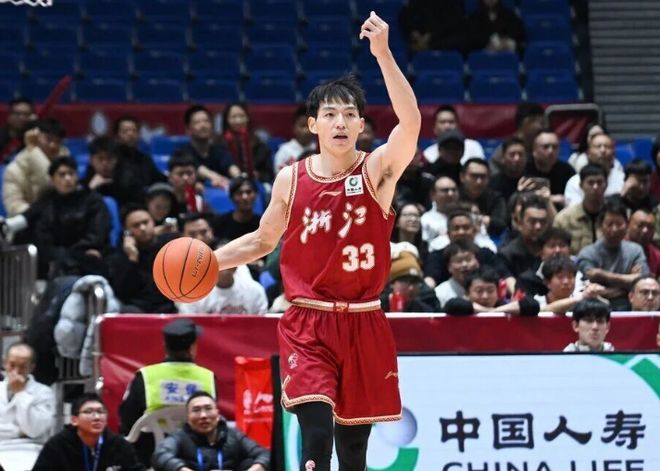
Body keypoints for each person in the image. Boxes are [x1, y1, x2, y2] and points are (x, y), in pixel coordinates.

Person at [212, 12, 421, 471]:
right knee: (317, 438)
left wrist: (383, 54)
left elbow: (410, 124)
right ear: (313, 125)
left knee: (354, 452)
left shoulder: (377, 171)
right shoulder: (291, 178)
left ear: (361, 125)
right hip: (308, 321)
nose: (340, 122)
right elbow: (262, 239)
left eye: (349, 115)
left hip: (364, 320)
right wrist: (210, 262)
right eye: (330, 114)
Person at [120, 318, 218, 466]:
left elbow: (127, 419)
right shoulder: (208, 378)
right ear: (192, 348)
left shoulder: (145, 377)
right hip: (195, 458)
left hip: (150, 457)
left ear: (165, 346)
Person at [30, 157, 111, 278]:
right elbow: (43, 240)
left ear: (77, 176)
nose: (67, 178)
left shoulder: (93, 200)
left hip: (88, 253)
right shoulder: (46, 205)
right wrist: (61, 254)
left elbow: (97, 234)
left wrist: (75, 252)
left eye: (71, 173)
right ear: (52, 179)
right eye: (62, 175)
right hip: (59, 259)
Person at [152, 391, 269, 471]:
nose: (203, 415)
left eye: (208, 409)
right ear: (188, 418)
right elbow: (160, 455)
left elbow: (265, 454)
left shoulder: (233, 434)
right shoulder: (179, 437)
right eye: (196, 410)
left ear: (217, 414)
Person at [32, 393, 144, 471]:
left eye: (101, 412)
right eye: (89, 412)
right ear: (74, 420)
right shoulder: (58, 445)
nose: (96, 417)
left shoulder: (119, 444)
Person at [577, 199, 650, 310]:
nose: (614, 229)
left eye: (619, 224)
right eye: (609, 224)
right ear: (600, 225)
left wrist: (602, 275)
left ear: (627, 225)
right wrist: (628, 285)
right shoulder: (587, 253)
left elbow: (643, 281)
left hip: (631, 309)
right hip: (596, 310)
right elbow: (588, 291)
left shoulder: (636, 250)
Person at [107, 205, 177, 313]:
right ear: (127, 231)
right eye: (136, 225)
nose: (143, 228)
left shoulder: (170, 244)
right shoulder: (122, 254)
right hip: (140, 308)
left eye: (146, 222)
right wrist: (132, 258)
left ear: (153, 223)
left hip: (172, 303)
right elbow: (122, 293)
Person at [0, 343, 55, 471]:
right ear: (4, 364)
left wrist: (20, 393)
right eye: (12, 365)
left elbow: (33, 430)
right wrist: (18, 432)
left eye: (22, 366)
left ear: (31, 368)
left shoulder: (44, 393)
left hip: (30, 448)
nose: (16, 371)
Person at [2, 119, 69, 217]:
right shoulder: (14, 170)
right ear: (35, 140)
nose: (53, 145)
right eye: (48, 139)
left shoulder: (66, 162)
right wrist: (44, 217)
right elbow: (14, 206)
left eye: (58, 141)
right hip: (28, 223)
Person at [178, 242, 268, 315]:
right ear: (210, 263)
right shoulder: (194, 294)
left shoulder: (255, 291)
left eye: (229, 260)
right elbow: (188, 324)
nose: (225, 264)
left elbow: (260, 326)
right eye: (221, 260)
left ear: (237, 265)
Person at [553, 163, 608, 255]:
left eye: (599, 182)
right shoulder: (564, 218)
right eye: (590, 183)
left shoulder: (614, 216)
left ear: (606, 185)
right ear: (581, 186)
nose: (595, 187)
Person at [178, 104, 237, 188]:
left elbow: (230, 166)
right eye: (197, 122)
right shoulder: (182, 153)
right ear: (188, 129)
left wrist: (239, 177)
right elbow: (197, 168)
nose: (203, 126)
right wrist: (215, 178)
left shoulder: (220, 150)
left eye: (206, 121)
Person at [218, 102, 274, 185]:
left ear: (248, 118)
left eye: (241, 116)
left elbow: (269, 174)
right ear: (226, 120)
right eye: (233, 117)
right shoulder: (219, 144)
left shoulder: (259, 145)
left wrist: (258, 175)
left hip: (255, 184)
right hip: (227, 185)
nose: (238, 121)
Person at [564, 133, 623, 207]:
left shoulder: (623, 179)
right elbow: (575, 211)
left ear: (614, 153)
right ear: (588, 153)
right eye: (598, 146)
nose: (603, 150)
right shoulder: (575, 182)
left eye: (607, 146)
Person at [533, 255, 604, 315]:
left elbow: (605, 306)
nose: (566, 282)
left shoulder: (582, 299)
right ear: (547, 282)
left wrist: (595, 294)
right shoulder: (536, 301)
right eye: (560, 277)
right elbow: (544, 310)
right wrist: (581, 297)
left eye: (570, 277)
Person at [499, 194, 549, 276]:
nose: (538, 226)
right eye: (532, 221)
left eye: (542, 222)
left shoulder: (555, 250)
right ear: (519, 223)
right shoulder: (507, 255)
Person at [523, 129, 575, 208]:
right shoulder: (523, 168)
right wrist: (552, 198)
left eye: (555, 147)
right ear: (534, 151)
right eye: (545, 147)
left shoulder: (567, 170)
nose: (551, 151)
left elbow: (574, 198)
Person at [489, 103, 544, 175]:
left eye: (542, 123)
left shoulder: (542, 148)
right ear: (524, 123)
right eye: (534, 121)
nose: (540, 127)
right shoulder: (504, 151)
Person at [380, 246, 440, 312]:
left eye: (415, 282)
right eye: (405, 281)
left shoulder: (424, 310)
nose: (411, 288)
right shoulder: (377, 306)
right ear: (392, 283)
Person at [458, 157, 508, 236]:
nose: (479, 181)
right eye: (474, 176)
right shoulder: (453, 196)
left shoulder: (495, 198)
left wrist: (478, 219)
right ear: (462, 177)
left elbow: (501, 224)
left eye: (483, 177)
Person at [211, 175, 261, 241]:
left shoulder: (262, 224)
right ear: (231, 198)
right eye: (239, 193)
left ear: (256, 195)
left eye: (249, 192)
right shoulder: (219, 224)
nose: (245, 197)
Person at [434, 240, 480, 307]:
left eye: (468, 259)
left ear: (478, 262)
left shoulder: (488, 290)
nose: (464, 265)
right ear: (449, 267)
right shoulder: (440, 294)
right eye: (458, 261)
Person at [274, 105, 318, 171]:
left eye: (308, 126)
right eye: (302, 126)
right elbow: (279, 174)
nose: (306, 131)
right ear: (294, 127)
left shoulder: (318, 149)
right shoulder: (284, 151)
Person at [167, 150, 207, 215]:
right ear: (170, 177)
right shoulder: (164, 201)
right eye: (180, 174)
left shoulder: (199, 200)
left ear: (196, 175)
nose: (185, 178)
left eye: (189, 173)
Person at [420, 175, 459, 242]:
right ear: (432, 194)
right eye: (445, 190)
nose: (451, 194)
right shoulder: (426, 220)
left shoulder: (466, 216)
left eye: (454, 190)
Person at [488, 136, 527, 201]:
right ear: (503, 158)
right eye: (512, 155)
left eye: (521, 154)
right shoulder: (492, 184)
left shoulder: (532, 182)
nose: (517, 159)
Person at [626, 209, 660, 277]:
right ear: (628, 225)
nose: (645, 230)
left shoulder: (657, 256)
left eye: (650, 227)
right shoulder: (614, 246)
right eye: (640, 225)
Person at [0, 97, 34, 162]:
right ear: (9, 115)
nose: (22, 118)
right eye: (17, 114)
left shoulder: (33, 139)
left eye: (26, 114)